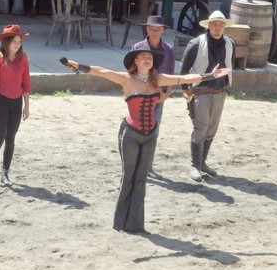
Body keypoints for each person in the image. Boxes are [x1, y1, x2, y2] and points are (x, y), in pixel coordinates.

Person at [62, 46, 230, 234]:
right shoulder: (126, 79)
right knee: (129, 177)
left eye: (149, 57)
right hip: (131, 133)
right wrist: (78, 65)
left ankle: (136, 225)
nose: (147, 59)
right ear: (136, 61)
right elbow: (101, 71)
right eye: (143, 56)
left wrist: (210, 76)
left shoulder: (159, 79)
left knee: (141, 179)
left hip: (151, 135)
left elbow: (184, 78)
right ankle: (121, 222)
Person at [180, 10, 236, 183]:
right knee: (200, 128)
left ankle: (203, 162)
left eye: (221, 24)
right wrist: (185, 88)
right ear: (209, 26)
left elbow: (230, 65)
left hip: (220, 92)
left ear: (224, 27)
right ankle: (195, 165)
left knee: (212, 129)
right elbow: (184, 68)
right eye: (214, 24)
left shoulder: (230, 44)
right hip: (201, 92)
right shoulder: (196, 44)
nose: (217, 28)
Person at [0, 24, 31, 187]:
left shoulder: (23, 60)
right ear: (7, 42)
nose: (17, 44)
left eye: (19, 41)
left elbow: (26, 84)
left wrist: (26, 106)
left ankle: (5, 173)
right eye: (14, 41)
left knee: (11, 139)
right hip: (1, 102)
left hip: (16, 102)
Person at [135, 15, 175, 180]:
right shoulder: (138, 48)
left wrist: (167, 93)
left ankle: (148, 166)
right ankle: (136, 165)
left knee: (153, 132)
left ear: (163, 30)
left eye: (158, 28)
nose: (155, 31)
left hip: (159, 97)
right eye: (151, 28)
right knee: (137, 131)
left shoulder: (168, 50)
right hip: (140, 97)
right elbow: (131, 73)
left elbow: (171, 73)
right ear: (146, 29)